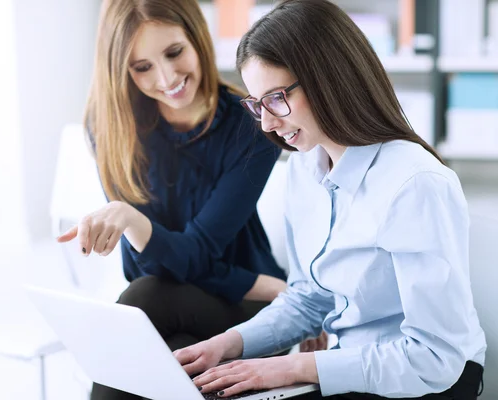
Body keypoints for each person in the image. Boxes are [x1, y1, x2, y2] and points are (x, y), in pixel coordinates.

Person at [174, 1, 487, 399]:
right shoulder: (304, 170)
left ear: (328, 79)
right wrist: (228, 343)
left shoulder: (414, 183)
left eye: (276, 99)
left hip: (426, 380)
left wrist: (292, 367)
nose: (267, 124)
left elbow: (433, 358)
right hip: (350, 367)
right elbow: (310, 298)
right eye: (257, 105)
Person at [56, 0, 327, 399]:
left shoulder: (252, 123)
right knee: (163, 341)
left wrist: (132, 221)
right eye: (142, 67)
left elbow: (192, 254)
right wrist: (270, 285)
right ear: (122, 71)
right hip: (194, 300)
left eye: (174, 52)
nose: (166, 78)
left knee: (142, 312)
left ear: (197, 37)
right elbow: (143, 265)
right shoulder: (111, 125)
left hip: (246, 311)